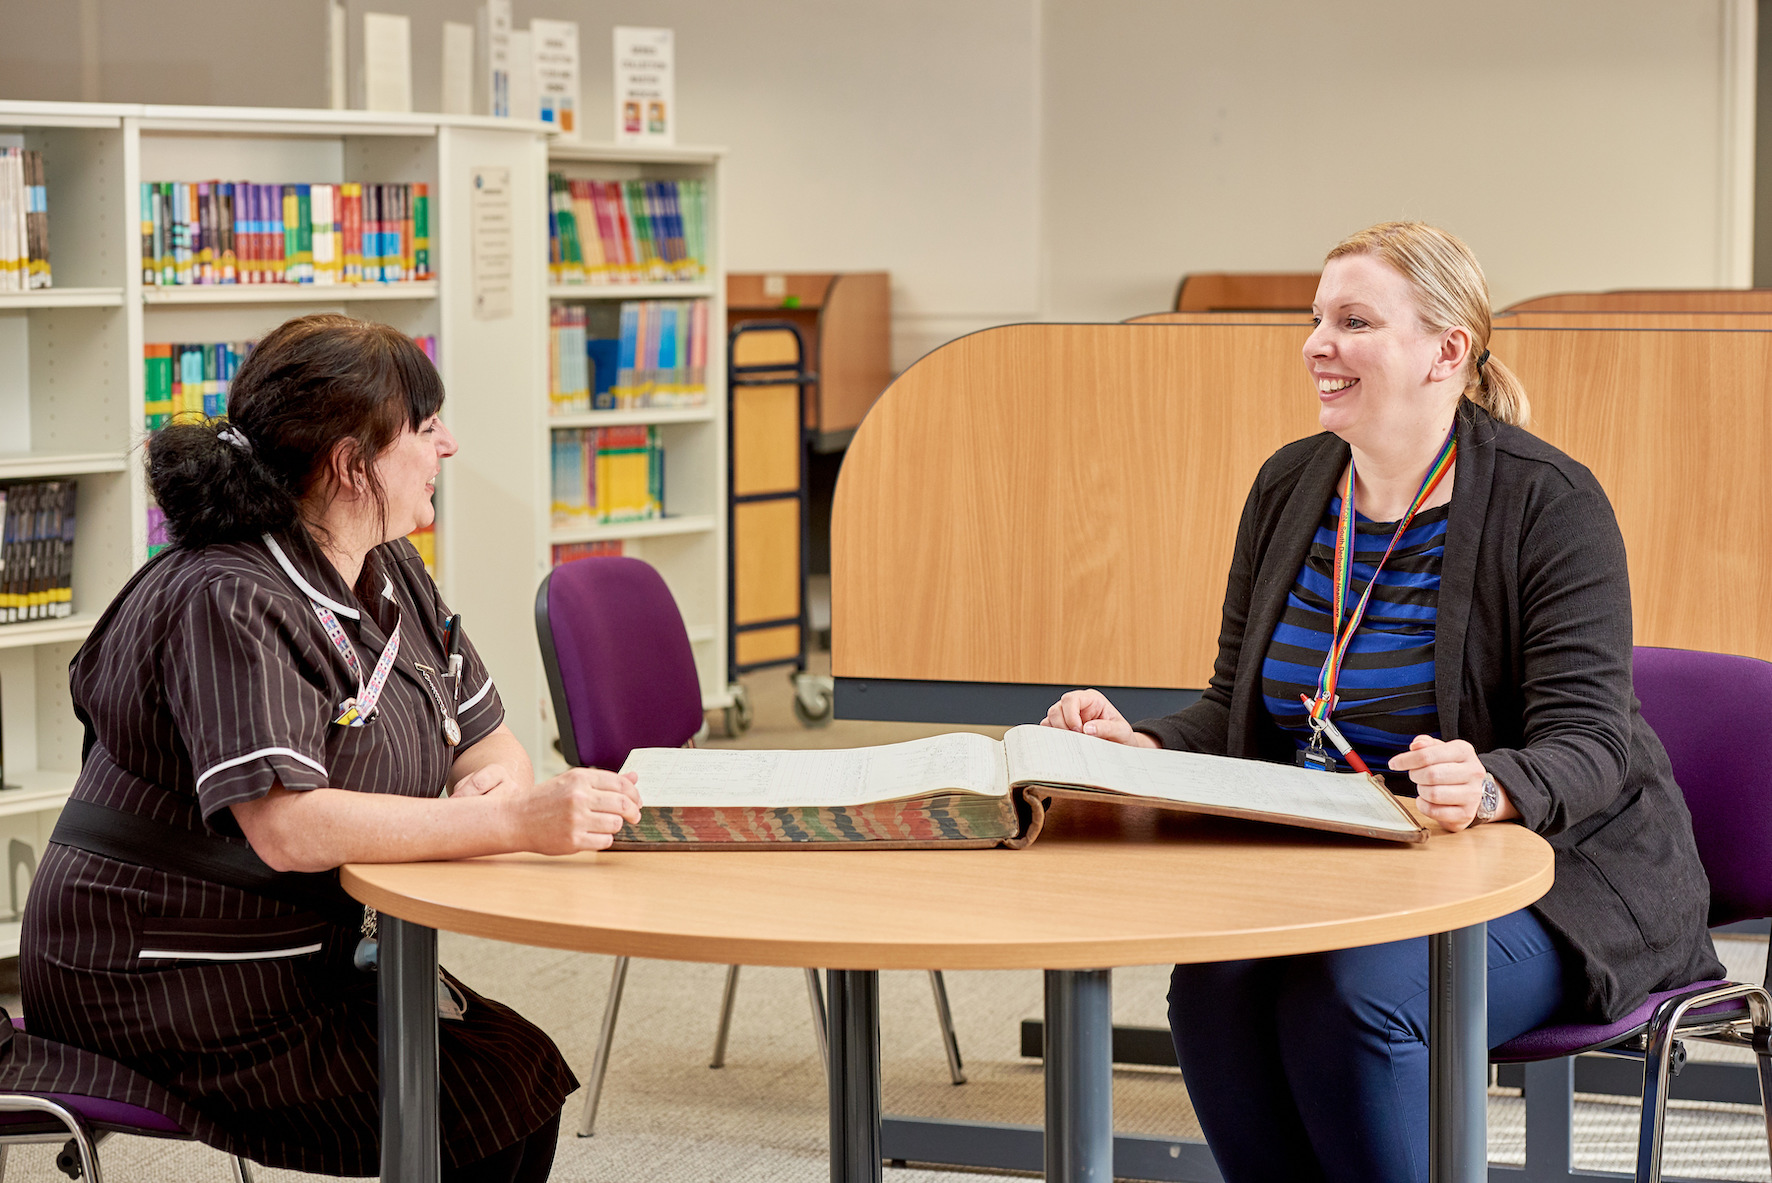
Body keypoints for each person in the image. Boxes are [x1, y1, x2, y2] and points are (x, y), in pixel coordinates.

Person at [1042, 223, 1723, 1183]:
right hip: (1353, 862)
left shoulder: (1551, 500)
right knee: (1215, 987)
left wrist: (1488, 783)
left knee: (1356, 997)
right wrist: (1142, 744)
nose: (1317, 343)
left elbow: (1593, 741)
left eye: (1353, 321)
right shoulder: (1290, 485)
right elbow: (1241, 706)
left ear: (1448, 351)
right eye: (1316, 318)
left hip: (1549, 871)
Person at [17, 313, 642, 1182]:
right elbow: (289, 827)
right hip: (159, 971)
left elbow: (490, 743)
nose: (448, 446)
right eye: (425, 430)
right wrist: (509, 823)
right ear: (352, 465)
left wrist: (492, 795)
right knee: (482, 1105)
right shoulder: (229, 595)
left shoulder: (391, 569)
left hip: (293, 944)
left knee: (516, 1076)